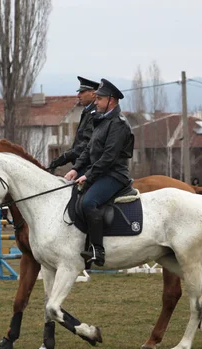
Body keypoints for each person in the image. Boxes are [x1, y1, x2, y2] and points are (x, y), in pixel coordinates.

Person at [64, 78, 134, 266]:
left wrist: (89, 175)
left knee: (88, 203)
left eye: (100, 99)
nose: (96, 102)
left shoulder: (118, 124)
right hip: (101, 173)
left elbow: (109, 157)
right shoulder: (101, 120)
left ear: (111, 100)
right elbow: (88, 150)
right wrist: (75, 169)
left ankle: (98, 250)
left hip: (114, 175)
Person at [48, 76, 100, 175]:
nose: (78, 95)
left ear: (93, 94)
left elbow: (87, 144)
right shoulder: (87, 112)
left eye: (82, 92)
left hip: (89, 168)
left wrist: (66, 156)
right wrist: (62, 158)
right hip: (82, 166)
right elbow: (79, 143)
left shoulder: (94, 114)